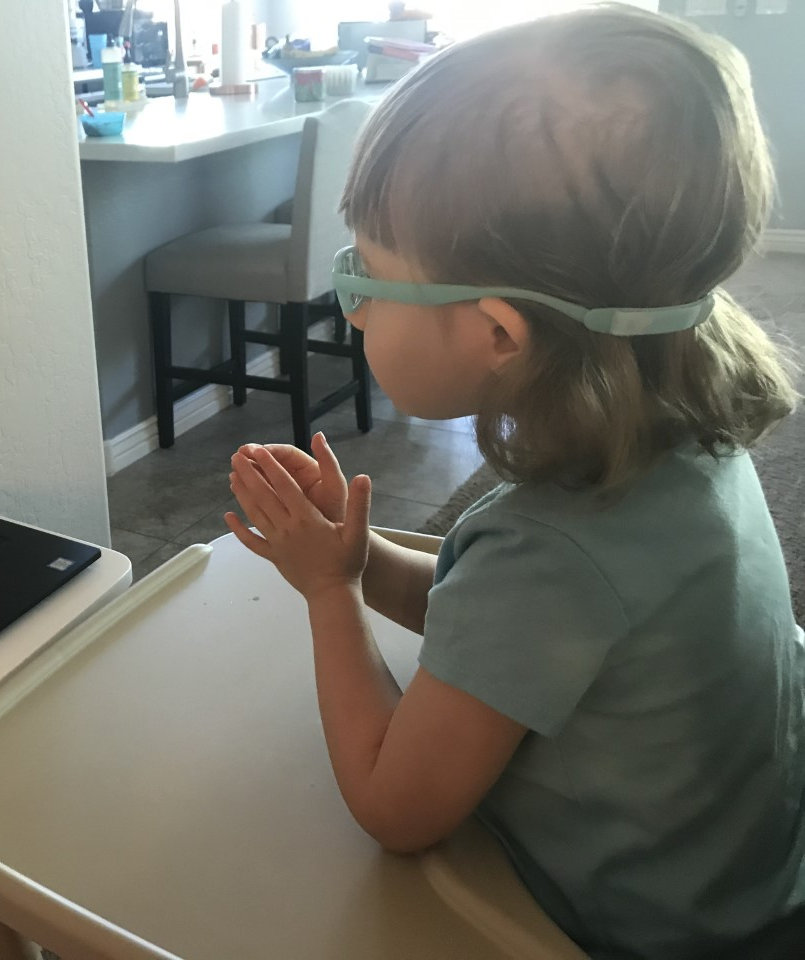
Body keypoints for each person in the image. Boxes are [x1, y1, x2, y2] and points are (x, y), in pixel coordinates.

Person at [225, 7, 804, 960]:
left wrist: (330, 595)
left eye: (367, 274)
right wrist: (358, 557)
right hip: (745, 870)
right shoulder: (677, 443)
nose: (356, 307)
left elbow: (393, 805)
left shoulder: (557, 549)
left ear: (498, 334)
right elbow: (498, 633)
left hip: (660, 932)